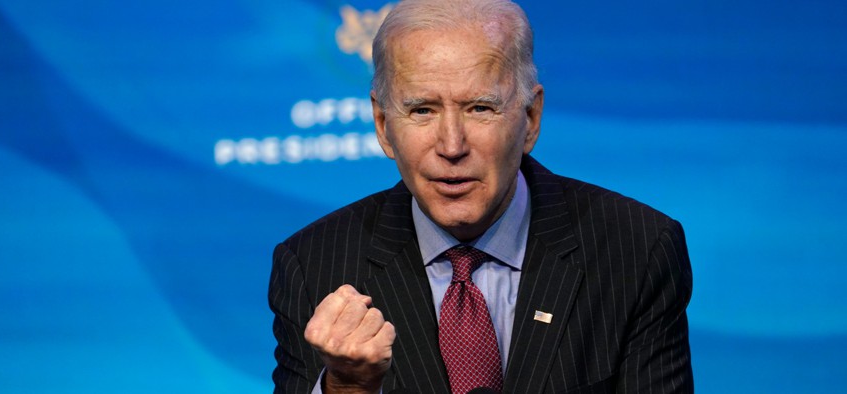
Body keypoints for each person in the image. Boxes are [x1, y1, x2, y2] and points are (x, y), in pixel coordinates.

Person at [268, 0, 693, 393]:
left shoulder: (635, 250)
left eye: (480, 108)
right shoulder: (314, 266)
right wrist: (346, 387)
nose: (452, 145)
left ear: (530, 118)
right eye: (422, 110)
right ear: (383, 126)